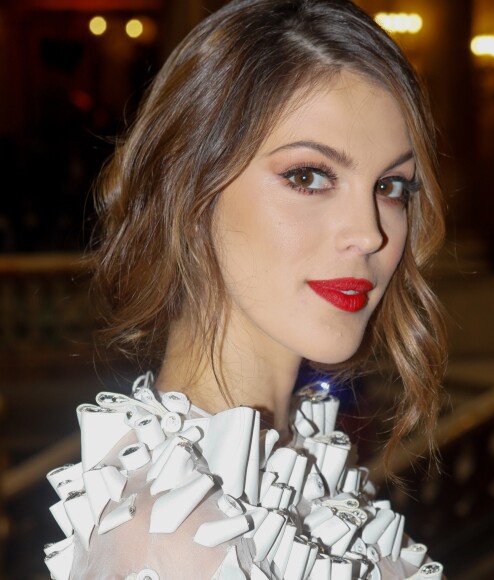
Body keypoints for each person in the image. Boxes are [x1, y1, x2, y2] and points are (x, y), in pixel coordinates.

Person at [43, 0, 447, 578]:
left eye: (391, 185)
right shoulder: (174, 537)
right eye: (308, 176)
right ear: (188, 191)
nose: (369, 234)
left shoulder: (305, 462)